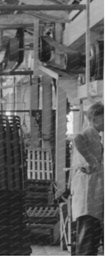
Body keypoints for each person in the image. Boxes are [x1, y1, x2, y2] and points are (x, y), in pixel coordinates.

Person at [70, 102, 104, 255]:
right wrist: (92, 161)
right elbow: (77, 139)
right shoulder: (88, 133)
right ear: (96, 117)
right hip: (87, 198)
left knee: (89, 240)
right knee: (87, 241)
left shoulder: (96, 135)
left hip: (93, 197)